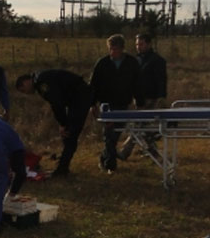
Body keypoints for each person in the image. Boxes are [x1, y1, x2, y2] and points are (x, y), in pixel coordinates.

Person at [15, 70, 94, 176]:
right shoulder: (41, 79)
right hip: (77, 98)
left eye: (24, 90)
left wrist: (63, 124)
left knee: (70, 134)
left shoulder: (42, 83)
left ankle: (62, 169)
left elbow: (57, 104)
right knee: (69, 134)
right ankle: (63, 166)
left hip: (79, 99)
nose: (27, 93)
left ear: (25, 82)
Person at [90, 34, 144, 174]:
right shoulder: (102, 63)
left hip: (123, 103)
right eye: (111, 49)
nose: (112, 52)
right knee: (109, 134)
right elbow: (94, 84)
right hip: (106, 104)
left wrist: (139, 102)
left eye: (115, 49)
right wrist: (92, 103)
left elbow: (137, 84)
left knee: (115, 134)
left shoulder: (131, 63)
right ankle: (110, 165)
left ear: (122, 48)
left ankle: (104, 158)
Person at [120, 33, 168, 159]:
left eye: (141, 44)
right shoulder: (136, 60)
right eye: (137, 44)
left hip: (151, 97)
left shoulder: (157, 60)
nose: (138, 47)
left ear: (149, 44)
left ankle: (125, 151)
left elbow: (161, 80)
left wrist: (161, 97)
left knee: (140, 125)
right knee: (143, 126)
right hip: (139, 98)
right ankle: (153, 152)